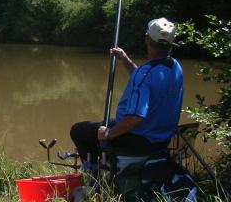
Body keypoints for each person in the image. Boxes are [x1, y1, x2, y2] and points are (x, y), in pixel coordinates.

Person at [70, 17, 184, 166]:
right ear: (171, 43)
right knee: (103, 124)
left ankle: (95, 176)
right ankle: (107, 165)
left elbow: (135, 117)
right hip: (161, 137)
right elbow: (147, 81)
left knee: (79, 131)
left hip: (139, 138)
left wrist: (109, 134)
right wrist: (125, 60)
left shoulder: (144, 74)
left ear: (147, 39)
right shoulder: (175, 67)